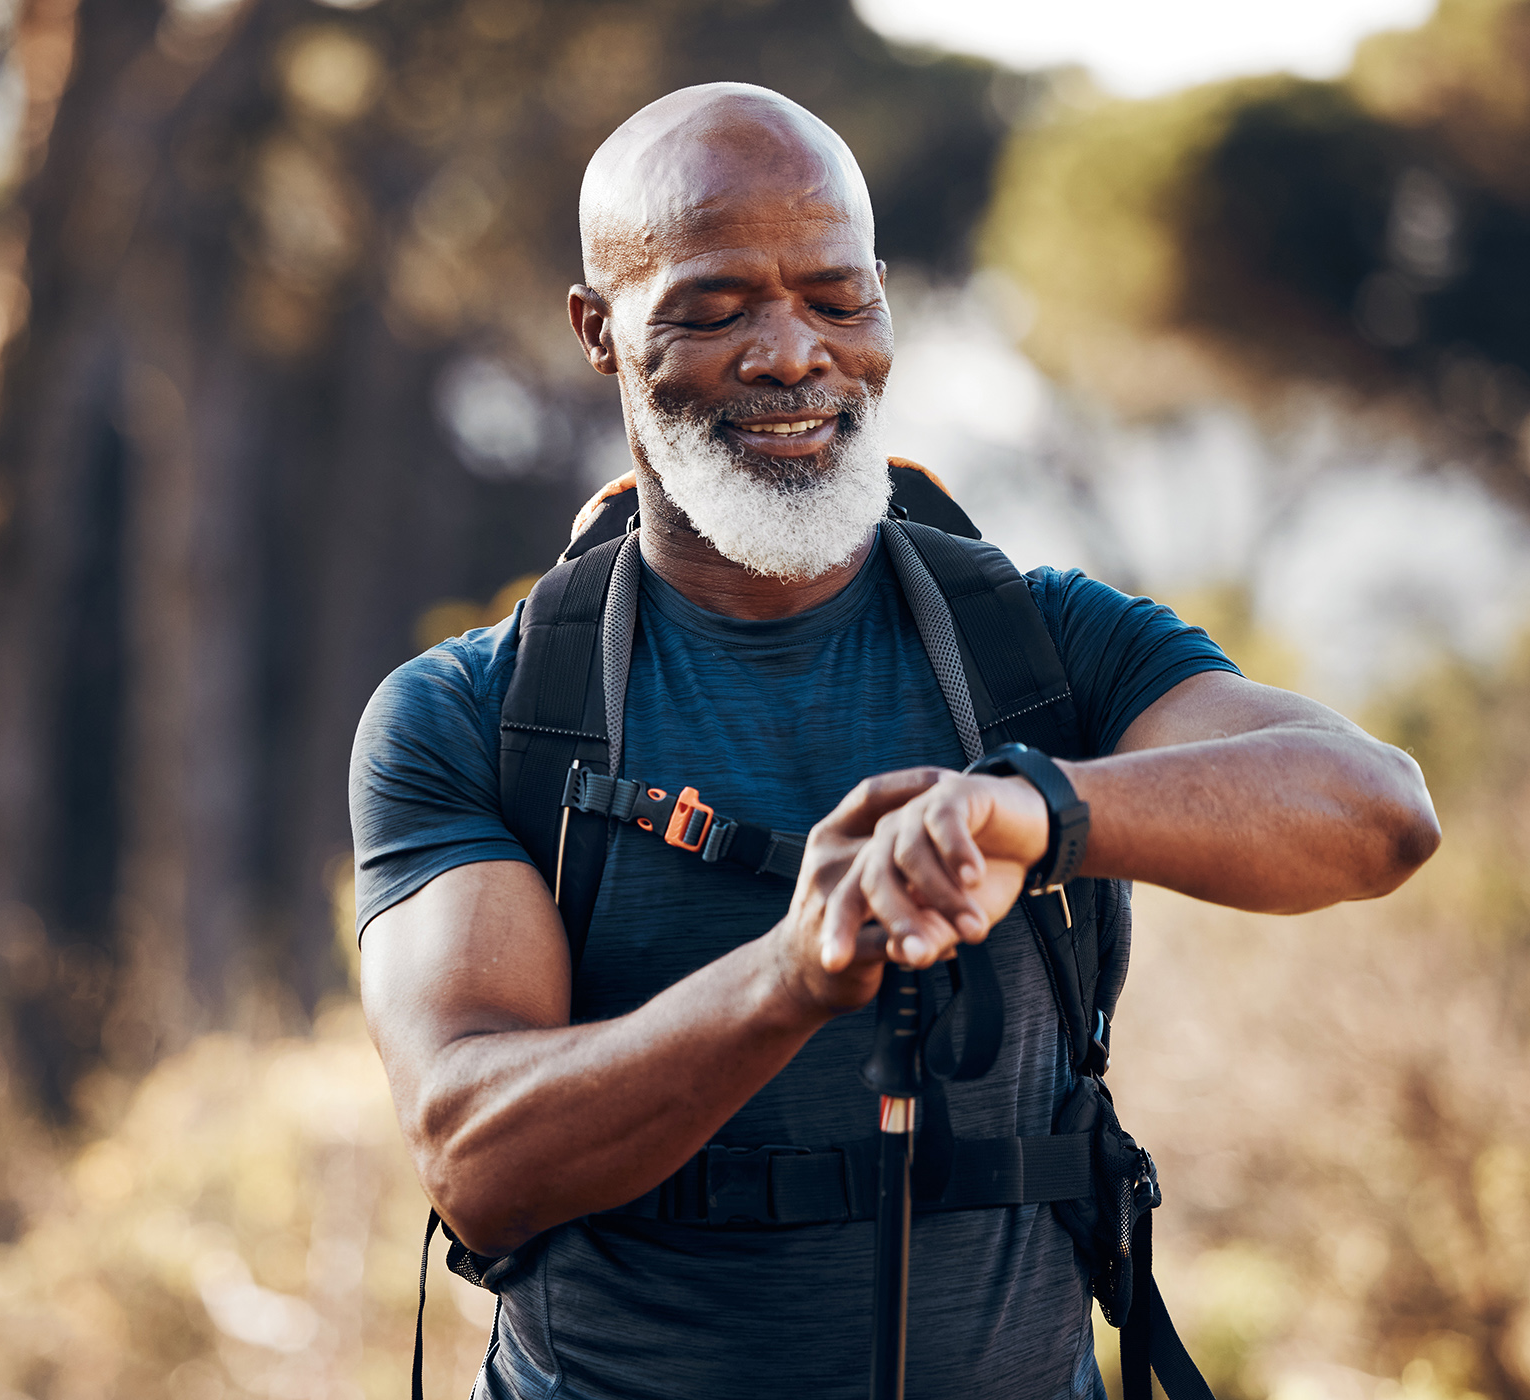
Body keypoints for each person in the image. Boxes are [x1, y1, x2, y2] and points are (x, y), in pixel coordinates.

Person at [349, 83, 1440, 1399]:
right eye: (714, 307)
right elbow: (477, 1162)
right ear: (598, 331)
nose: (791, 352)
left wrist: (1035, 814)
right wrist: (794, 977)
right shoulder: (474, 713)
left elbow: (1379, 815)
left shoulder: (1043, 653)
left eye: (836, 297)